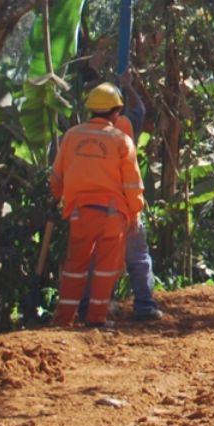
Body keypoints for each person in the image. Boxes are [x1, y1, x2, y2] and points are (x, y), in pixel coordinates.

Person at [50, 82, 144, 328]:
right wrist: (134, 213)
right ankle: (96, 318)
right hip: (113, 215)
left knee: (74, 266)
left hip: (80, 212)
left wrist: (57, 199)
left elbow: (57, 176)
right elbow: (132, 184)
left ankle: (63, 319)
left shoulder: (72, 136)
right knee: (105, 268)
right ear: (116, 113)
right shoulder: (122, 141)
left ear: (90, 109)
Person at [107, 82, 163, 321]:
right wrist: (129, 82)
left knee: (101, 258)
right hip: (126, 205)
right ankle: (144, 305)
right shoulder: (127, 125)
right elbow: (140, 108)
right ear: (118, 108)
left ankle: (102, 305)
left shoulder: (83, 131)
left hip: (96, 207)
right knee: (138, 257)